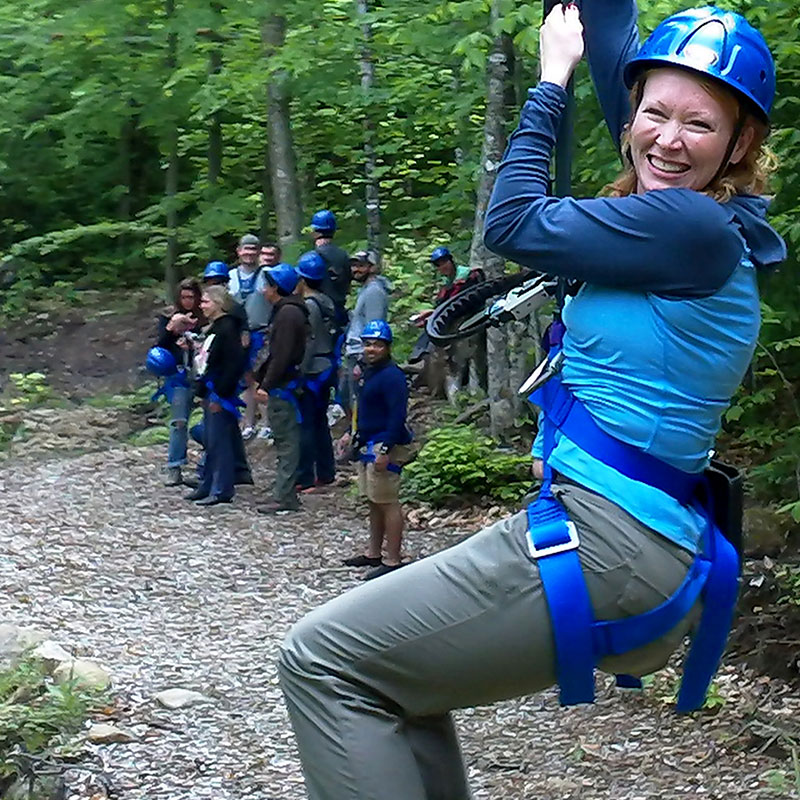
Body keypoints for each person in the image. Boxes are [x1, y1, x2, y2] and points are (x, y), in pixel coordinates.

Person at [277, 2, 785, 797]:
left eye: (700, 124)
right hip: (629, 536)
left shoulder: (689, 226)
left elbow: (511, 221)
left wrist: (551, 80)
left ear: (739, 143)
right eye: (654, 113)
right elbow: (618, 50)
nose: (668, 139)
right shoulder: (702, 216)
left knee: (323, 661)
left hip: (611, 541)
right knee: (395, 685)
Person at [339, 320, 412, 581]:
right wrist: (351, 433)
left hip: (384, 442)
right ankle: (374, 552)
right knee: (373, 500)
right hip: (368, 440)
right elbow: (363, 408)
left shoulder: (392, 376)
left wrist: (386, 448)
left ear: (387, 347)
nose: (371, 349)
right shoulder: (369, 373)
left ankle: (393, 558)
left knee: (388, 501)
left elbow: (397, 415)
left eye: (378, 345)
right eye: (368, 344)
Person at [255, 263, 308, 514]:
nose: (263, 290)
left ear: (276, 287)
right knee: (287, 439)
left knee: (286, 441)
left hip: (283, 386)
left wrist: (266, 384)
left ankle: (283, 495)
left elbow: (281, 354)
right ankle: (285, 491)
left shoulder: (287, 314)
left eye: (266, 286)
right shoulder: (290, 311)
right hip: (286, 383)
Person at [186, 285, 247, 506]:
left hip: (220, 392)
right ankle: (207, 484)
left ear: (219, 304)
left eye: (206, 302)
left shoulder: (227, 329)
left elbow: (233, 364)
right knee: (211, 441)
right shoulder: (215, 328)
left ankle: (221, 488)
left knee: (220, 441)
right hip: (211, 389)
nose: (201, 306)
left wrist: (221, 394)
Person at [410, 246, 486, 401]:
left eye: (444, 262)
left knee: (472, 362)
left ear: (451, 260)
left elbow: (465, 302)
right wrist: (431, 315)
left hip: (471, 325)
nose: (442, 267)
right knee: (451, 362)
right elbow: (443, 305)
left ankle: (475, 395)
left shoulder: (469, 276)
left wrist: (437, 314)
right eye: (438, 264)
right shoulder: (446, 285)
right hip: (453, 329)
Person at [155, 277, 205, 486]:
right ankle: (174, 466)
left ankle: (209, 463)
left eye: (191, 297)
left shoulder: (205, 316)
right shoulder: (168, 317)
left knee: (212, 420)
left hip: (203, 374)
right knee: (179, 422)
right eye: (184, 297)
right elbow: (160, 346)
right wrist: (172, 330)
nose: (187, 301)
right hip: (180, 374)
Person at [295, 251, 337, 493]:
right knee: (320, 422)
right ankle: (325, 471)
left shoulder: (310, 305)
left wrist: (299, 371)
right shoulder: (325, 301)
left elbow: (309, 342)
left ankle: (306, 476)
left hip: (313, 371)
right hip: (326, 366)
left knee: (307, 424)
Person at [228, 234, 272, 440]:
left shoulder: (268, 275)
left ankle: (267, 422)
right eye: (246, 249)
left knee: (260, 377)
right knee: (244, 378)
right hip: (237, 334)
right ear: (239, 251)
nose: (249, 253)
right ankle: (248, 422)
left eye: (253, 249)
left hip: (261, 332)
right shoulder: (230, 277)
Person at [340, 250, 390, 416]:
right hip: (355, 352)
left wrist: (363, 361)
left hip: (361, 354)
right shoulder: (366, 289)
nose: (356, 270)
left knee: (358, 400)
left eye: (361, 265)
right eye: (354, 265)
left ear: (372, 267)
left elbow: (374, 329)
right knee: (348, 397)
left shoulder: (374, 292)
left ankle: (362, 429)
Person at [310, 210, 350, 332]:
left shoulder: (311, 258)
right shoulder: (343, 256)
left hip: (318, 312)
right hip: (340, 312)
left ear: (315, 232)